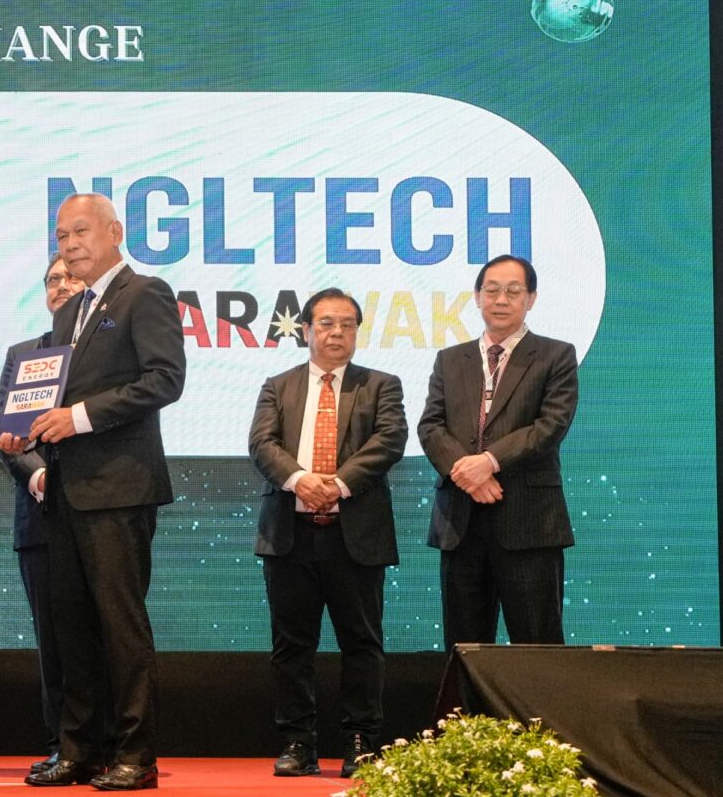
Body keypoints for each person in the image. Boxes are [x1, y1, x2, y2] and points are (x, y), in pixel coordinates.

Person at [0, 193, 185, 792]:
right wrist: (23, 427)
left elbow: (165, 380)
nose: (70, 244)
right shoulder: (69, 312)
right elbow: (52, 399)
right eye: (61, 235)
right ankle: (80, 750)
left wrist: (77, 417)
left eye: (80, 231)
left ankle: (135, 755)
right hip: (63, 491)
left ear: (115, 232)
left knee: (120, 628)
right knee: (71, 628)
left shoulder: (144, 293)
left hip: (119, 488)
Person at [248, 288, 407, 779]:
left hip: (354, 536)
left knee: (361, 643)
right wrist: (300, 480)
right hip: (290, 535)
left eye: (347, 324)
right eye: (326, 323)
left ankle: (361, 741)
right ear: (306, 330)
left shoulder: (381, 385)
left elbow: (390, 440)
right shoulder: (278, 386)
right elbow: (262, 443)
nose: (337, 332)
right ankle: (298, 742)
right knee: (291, 646)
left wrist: (335, 485)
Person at [419, 254, 579, 648]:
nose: (501, 299)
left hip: (529, 522)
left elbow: (550, 425)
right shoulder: (450, 359)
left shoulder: (556, 355)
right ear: (477, 297)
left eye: (513, 291)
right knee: (465, 648)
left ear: (531, 298)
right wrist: (467, 473)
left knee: (538, 644)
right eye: (491, 290)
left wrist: (489, 462)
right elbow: (431, 426)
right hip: (461, 522)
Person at [0, 256, 85, 770]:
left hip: (99, 509)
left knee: (103, 631)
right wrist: (39, 475)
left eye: (72, 277)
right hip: (41, 513)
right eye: (53, 280)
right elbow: (1, 429)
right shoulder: (26, 354)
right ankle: (63, 744)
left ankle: (112, 740)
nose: (61, 286)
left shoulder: (110, 352)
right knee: (52, 636)